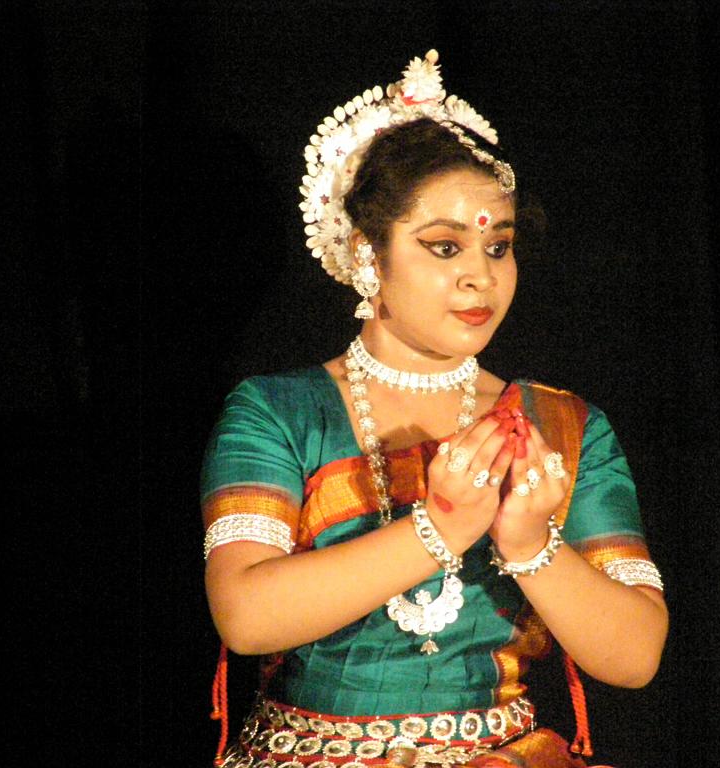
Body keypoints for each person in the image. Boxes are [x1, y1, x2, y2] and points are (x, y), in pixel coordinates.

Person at [201, 51, 667, 768]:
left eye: (499, 246)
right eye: (445, 247)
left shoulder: (560, 426)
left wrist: (530, 546)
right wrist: (440, 528)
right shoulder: (278, 412)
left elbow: (635, 656)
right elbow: (246, 616)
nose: (480, 275)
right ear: (367, 255)